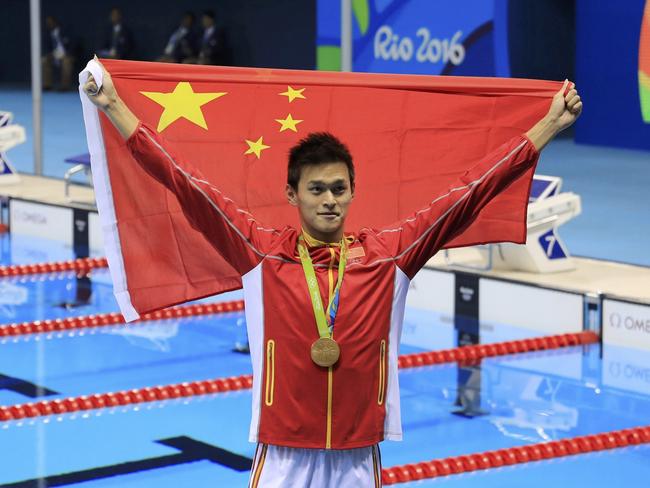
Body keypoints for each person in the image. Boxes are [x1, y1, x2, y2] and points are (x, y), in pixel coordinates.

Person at [82, 61, 582, 487]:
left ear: (352, 191)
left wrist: (546, 128)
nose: (329, 200)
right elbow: (182, 181)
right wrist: (114, 108)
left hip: (358, 455)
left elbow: (472, 190)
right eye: (317, 189)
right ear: (292, 194)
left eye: (339, 189)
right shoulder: (262, 252)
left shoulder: (390, 256)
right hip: (284, 455)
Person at [42, 15, 75, 91]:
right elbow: (46, 48)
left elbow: (73, 45)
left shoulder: (65, 31)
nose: (49, 24)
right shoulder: (47, 34)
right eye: (47, 23)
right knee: (44, 60)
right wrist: (49, 54)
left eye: (50, 22)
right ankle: (47, 85)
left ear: (55, 22)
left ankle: (64, 86)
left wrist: (68, 53)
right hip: (54, 55)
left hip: (65, 54)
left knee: (66, 62)